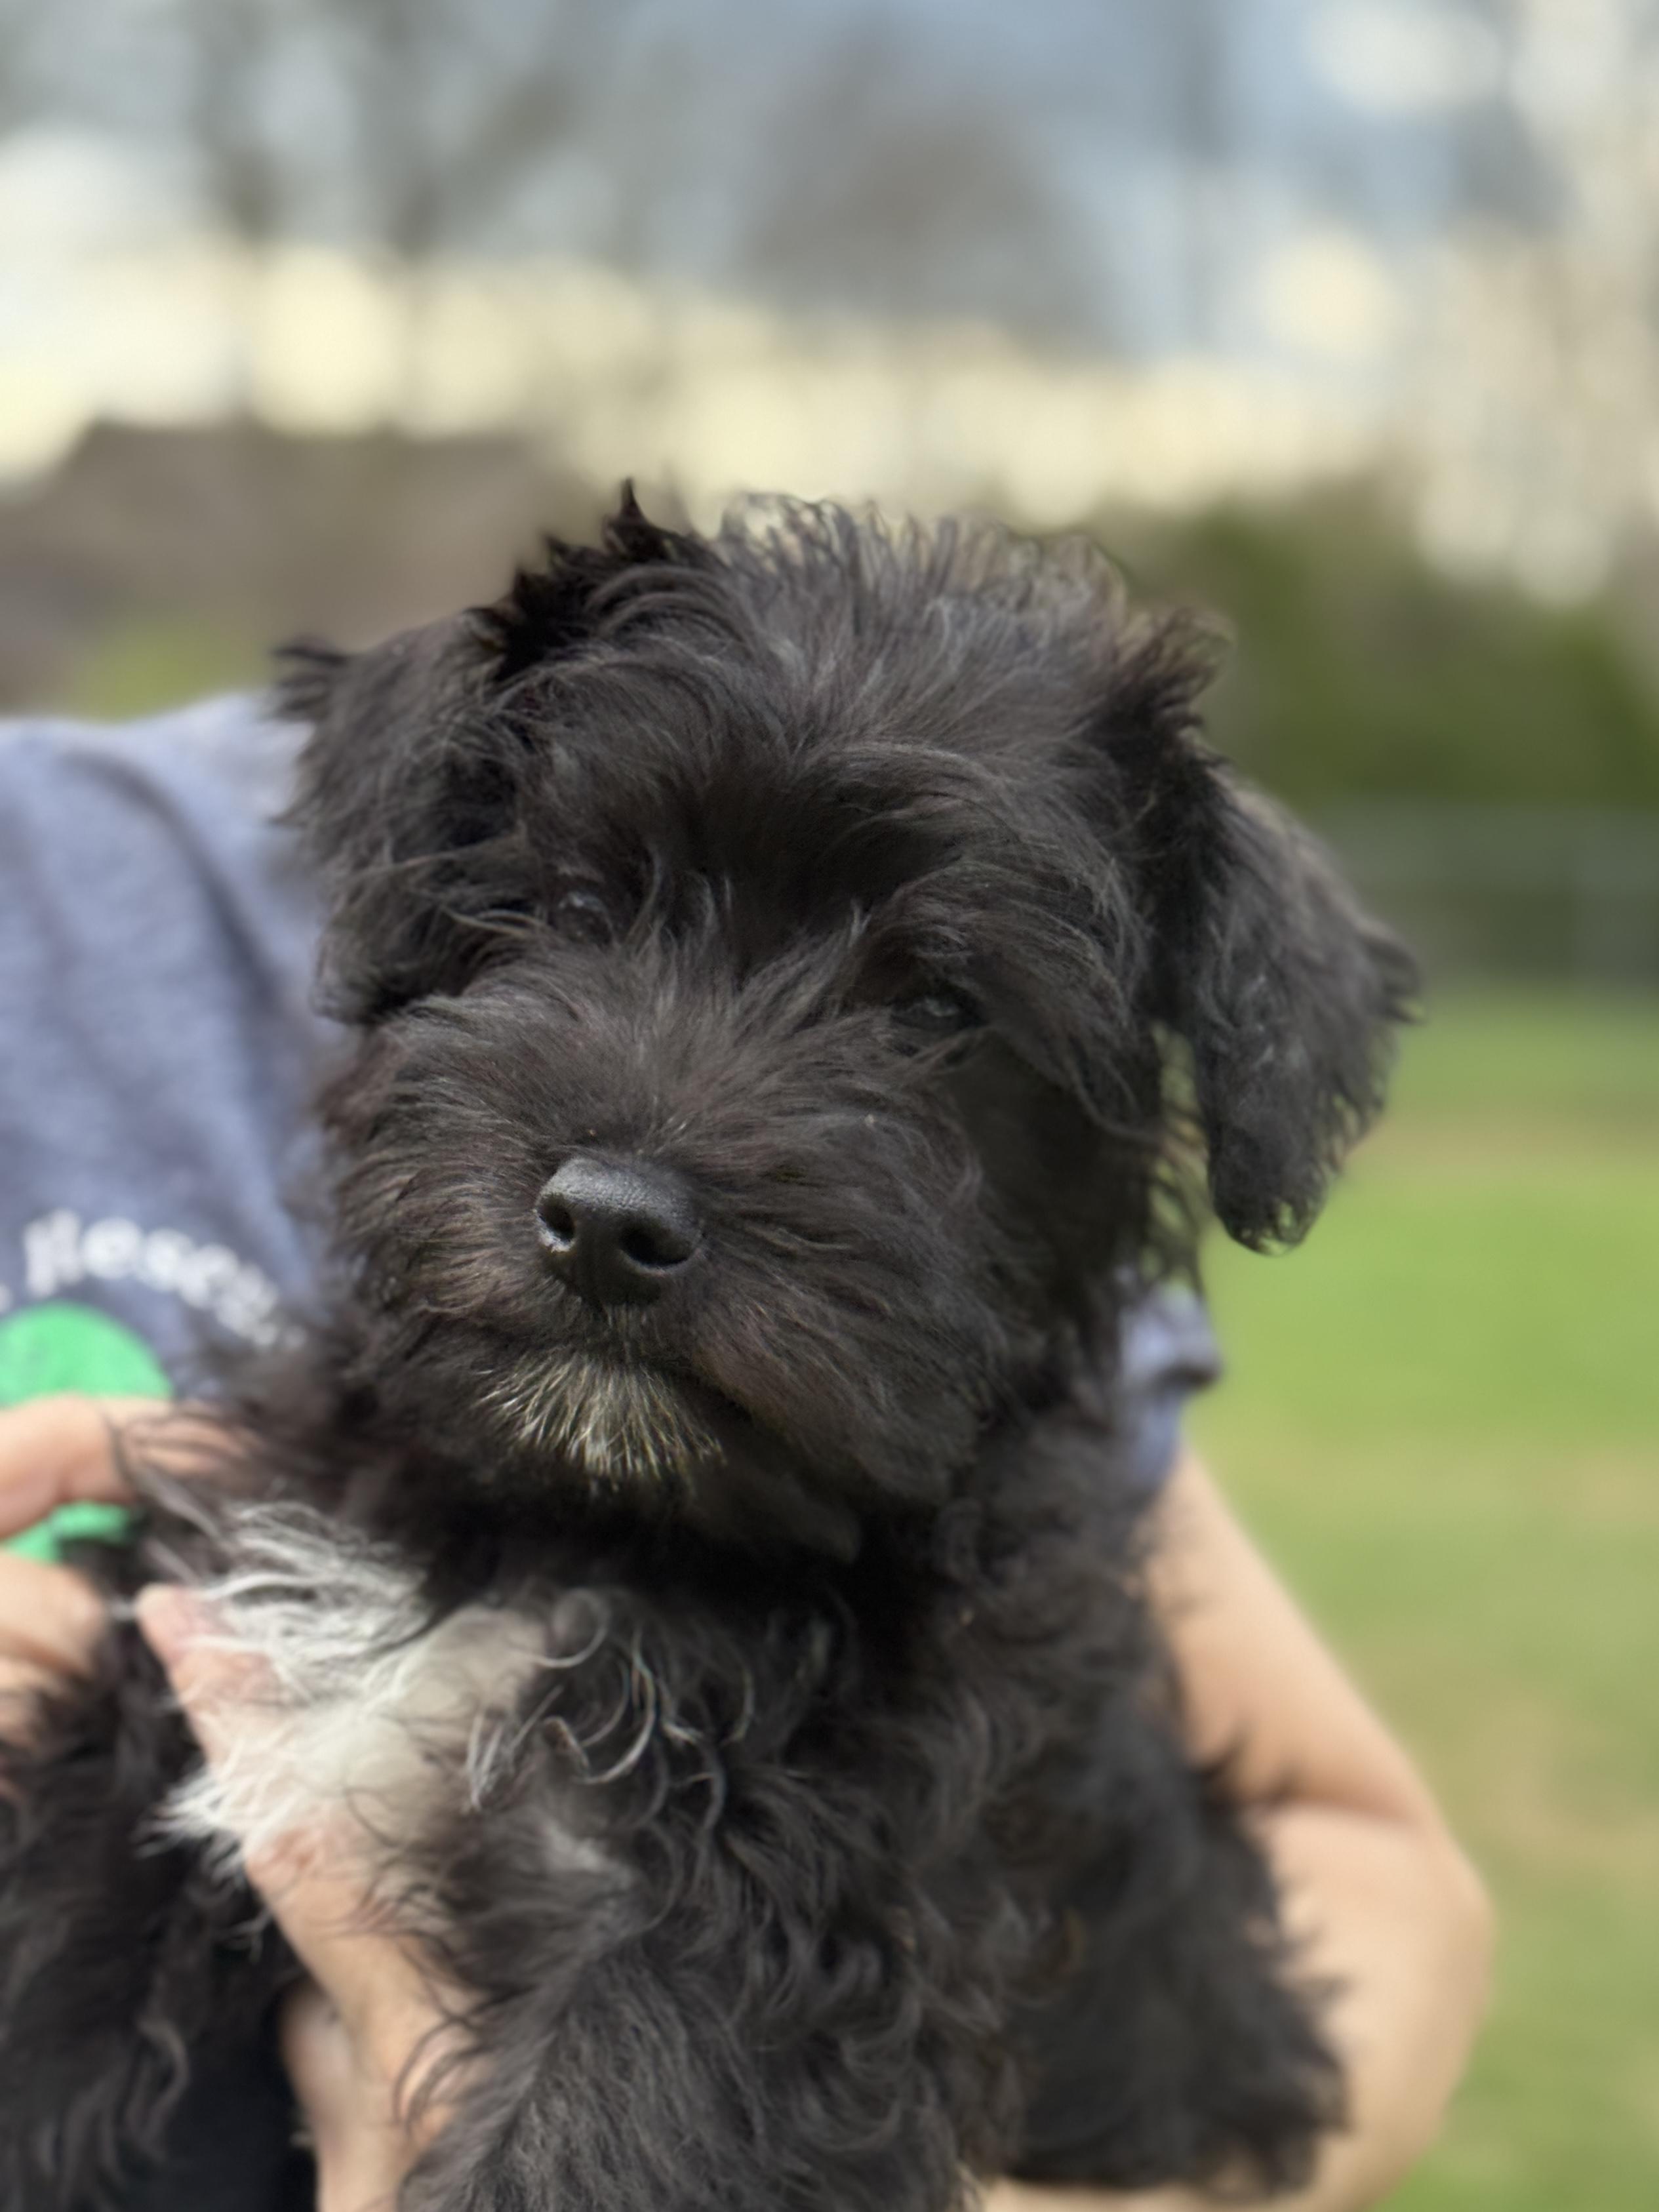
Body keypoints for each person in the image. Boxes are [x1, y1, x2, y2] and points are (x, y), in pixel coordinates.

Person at [0, 700, 1492, 2211]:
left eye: (926, 1014)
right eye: (586, 911)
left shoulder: (892, 1723)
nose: (631, 1177)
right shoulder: (284, 1478)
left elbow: (1386, 1881)